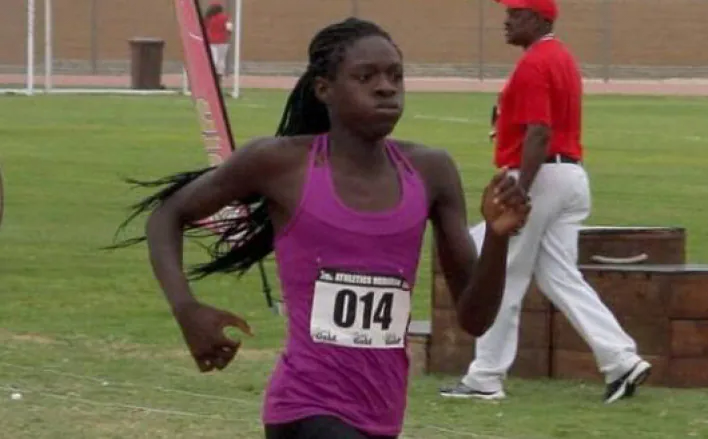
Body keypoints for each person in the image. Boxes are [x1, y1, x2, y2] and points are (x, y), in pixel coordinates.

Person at [111, 17, 530, 439]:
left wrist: (497, 236)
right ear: (324, 89)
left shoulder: (430, 171)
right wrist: (186, 309)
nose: (386, 87)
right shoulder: (281, 163)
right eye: (365, 77)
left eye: (395, 76)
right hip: (306, 407)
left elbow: (475, 318)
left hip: (382, 415)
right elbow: (167, 216)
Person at [439, 0, 651, 405]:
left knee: (501, 272)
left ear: (538, 18)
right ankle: (620, 359)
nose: (506, 20)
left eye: (515, 14)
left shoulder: (535, 63)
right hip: (569, 176)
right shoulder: (561, 57)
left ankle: (485, 377)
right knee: (559, 277)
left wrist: (523, 188)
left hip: (540, 176)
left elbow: (539, 131)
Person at [203, 2, 233, 86]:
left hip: (211, 42)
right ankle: (219, 79)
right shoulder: (225, 17)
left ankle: (211, 78)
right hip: (223, 41)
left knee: (214, 60)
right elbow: (229, 28)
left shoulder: (208, 18)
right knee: (220, 60)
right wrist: (227, 35)